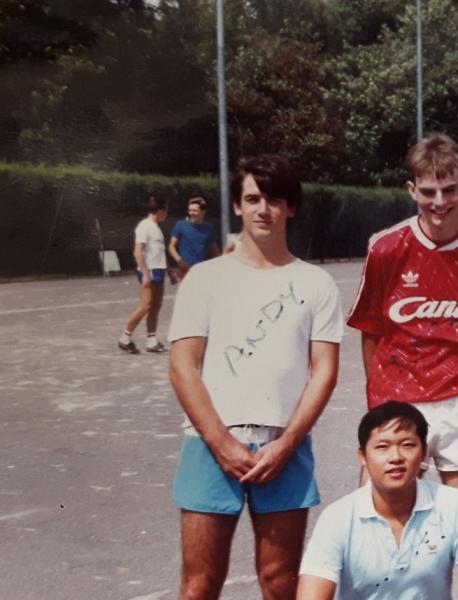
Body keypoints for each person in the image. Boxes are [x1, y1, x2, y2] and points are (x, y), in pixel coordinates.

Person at [168, 155, 342, 599]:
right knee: (198, 585)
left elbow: (323, 371)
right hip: (209, 445)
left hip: (283, 448)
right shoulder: (204, 279)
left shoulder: (315, 282)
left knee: (280, 582)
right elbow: (183, 367)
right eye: (254, 199)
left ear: (292, 208)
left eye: (276, 200)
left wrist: (286, 445)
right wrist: (221, 443)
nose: (264, 209)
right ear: (239, 207)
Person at [346, 133, 458, 528]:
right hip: (400, 403)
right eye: (428, 191)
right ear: (412, 190)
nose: (439, 202)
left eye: (449, 189)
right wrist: (381, 406)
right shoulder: (386, 248)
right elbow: (370, 332)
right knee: (376, 544)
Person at [297, 402, 458, 599]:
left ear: (423, 452)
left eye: (407, 445)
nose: (395, 457)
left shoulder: (452, 505)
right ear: (363, 456)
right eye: (382, 447)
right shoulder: (338, 517)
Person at [118, 196, 176, 354]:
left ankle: (152, 341)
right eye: (166, 212)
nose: (166, 215)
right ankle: (125, 338)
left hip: (158, 270)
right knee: (146, 305)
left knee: (155, 307)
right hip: (148, 271)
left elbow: (160, 254)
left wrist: (169, 272)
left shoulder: (156, 227)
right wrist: (145, 274)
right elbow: (138, 252)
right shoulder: (144, 226)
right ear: (160, 211)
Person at [168, 196, 221, 274]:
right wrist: (179, 261)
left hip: (201, 270)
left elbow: (215, 251)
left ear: (203, 211)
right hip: (185, 270)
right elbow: (171, 246)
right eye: (190, 210)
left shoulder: (209, 228)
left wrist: (219, 267)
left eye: (195, 211)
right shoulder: (181, 225)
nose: (191, 213)